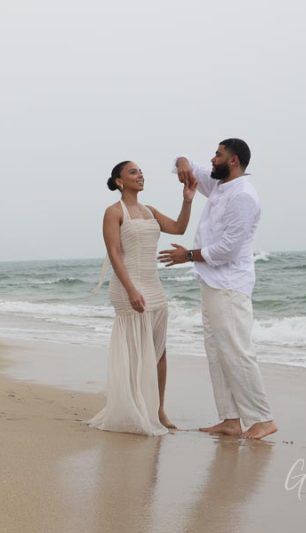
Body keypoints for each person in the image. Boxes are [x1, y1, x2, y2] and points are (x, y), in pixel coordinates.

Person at [158, 139, 278, 440]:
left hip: (230, 284)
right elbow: (187, 164)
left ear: (233, 160)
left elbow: (227, 249)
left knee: (237, 351)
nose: (212, 159)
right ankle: (230, 418)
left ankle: (262, 419)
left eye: (218, 155)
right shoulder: (219, 184)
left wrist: (187, 255)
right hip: (211, 282)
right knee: (216, 351)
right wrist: (182, 162)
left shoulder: (243, 195)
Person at [88, 160, 196, 436]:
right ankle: (133, 406)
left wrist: (187, 201)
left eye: (141, 171)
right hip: (128, 285)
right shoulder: (114, 212)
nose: (140, 175)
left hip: (153, 285)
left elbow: (179, 228)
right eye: (133, 172)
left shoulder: (151, 211)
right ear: (120, 181)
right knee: (135, 349)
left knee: (159, 349)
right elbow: (114, 253)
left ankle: (158, 410)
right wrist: (130, 290)